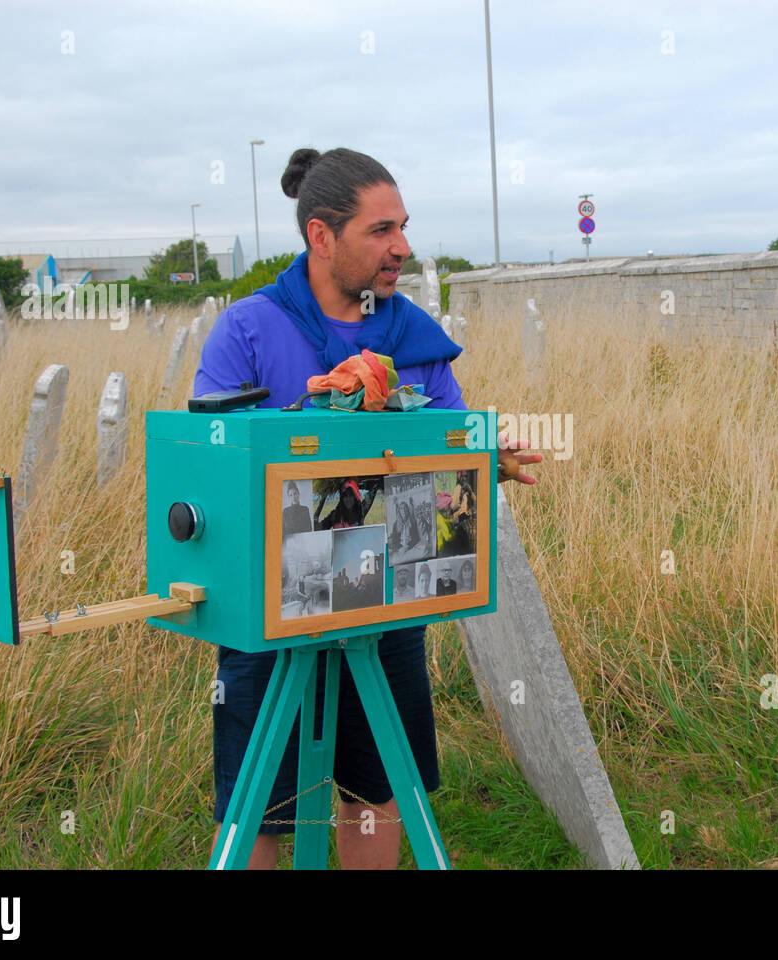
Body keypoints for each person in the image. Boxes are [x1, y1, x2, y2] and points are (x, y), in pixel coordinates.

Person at [195, 146, 541, 870]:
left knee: (374, 787)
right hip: (267, 612)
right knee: (262, 804)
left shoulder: (412, 335)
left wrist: (485, 463)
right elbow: (209, 461)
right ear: (322, 235)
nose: (402, 248)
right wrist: (311, 409)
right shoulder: (248, 329)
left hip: (383, 602)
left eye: (403, 227)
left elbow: (444, 448)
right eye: (381, 231)